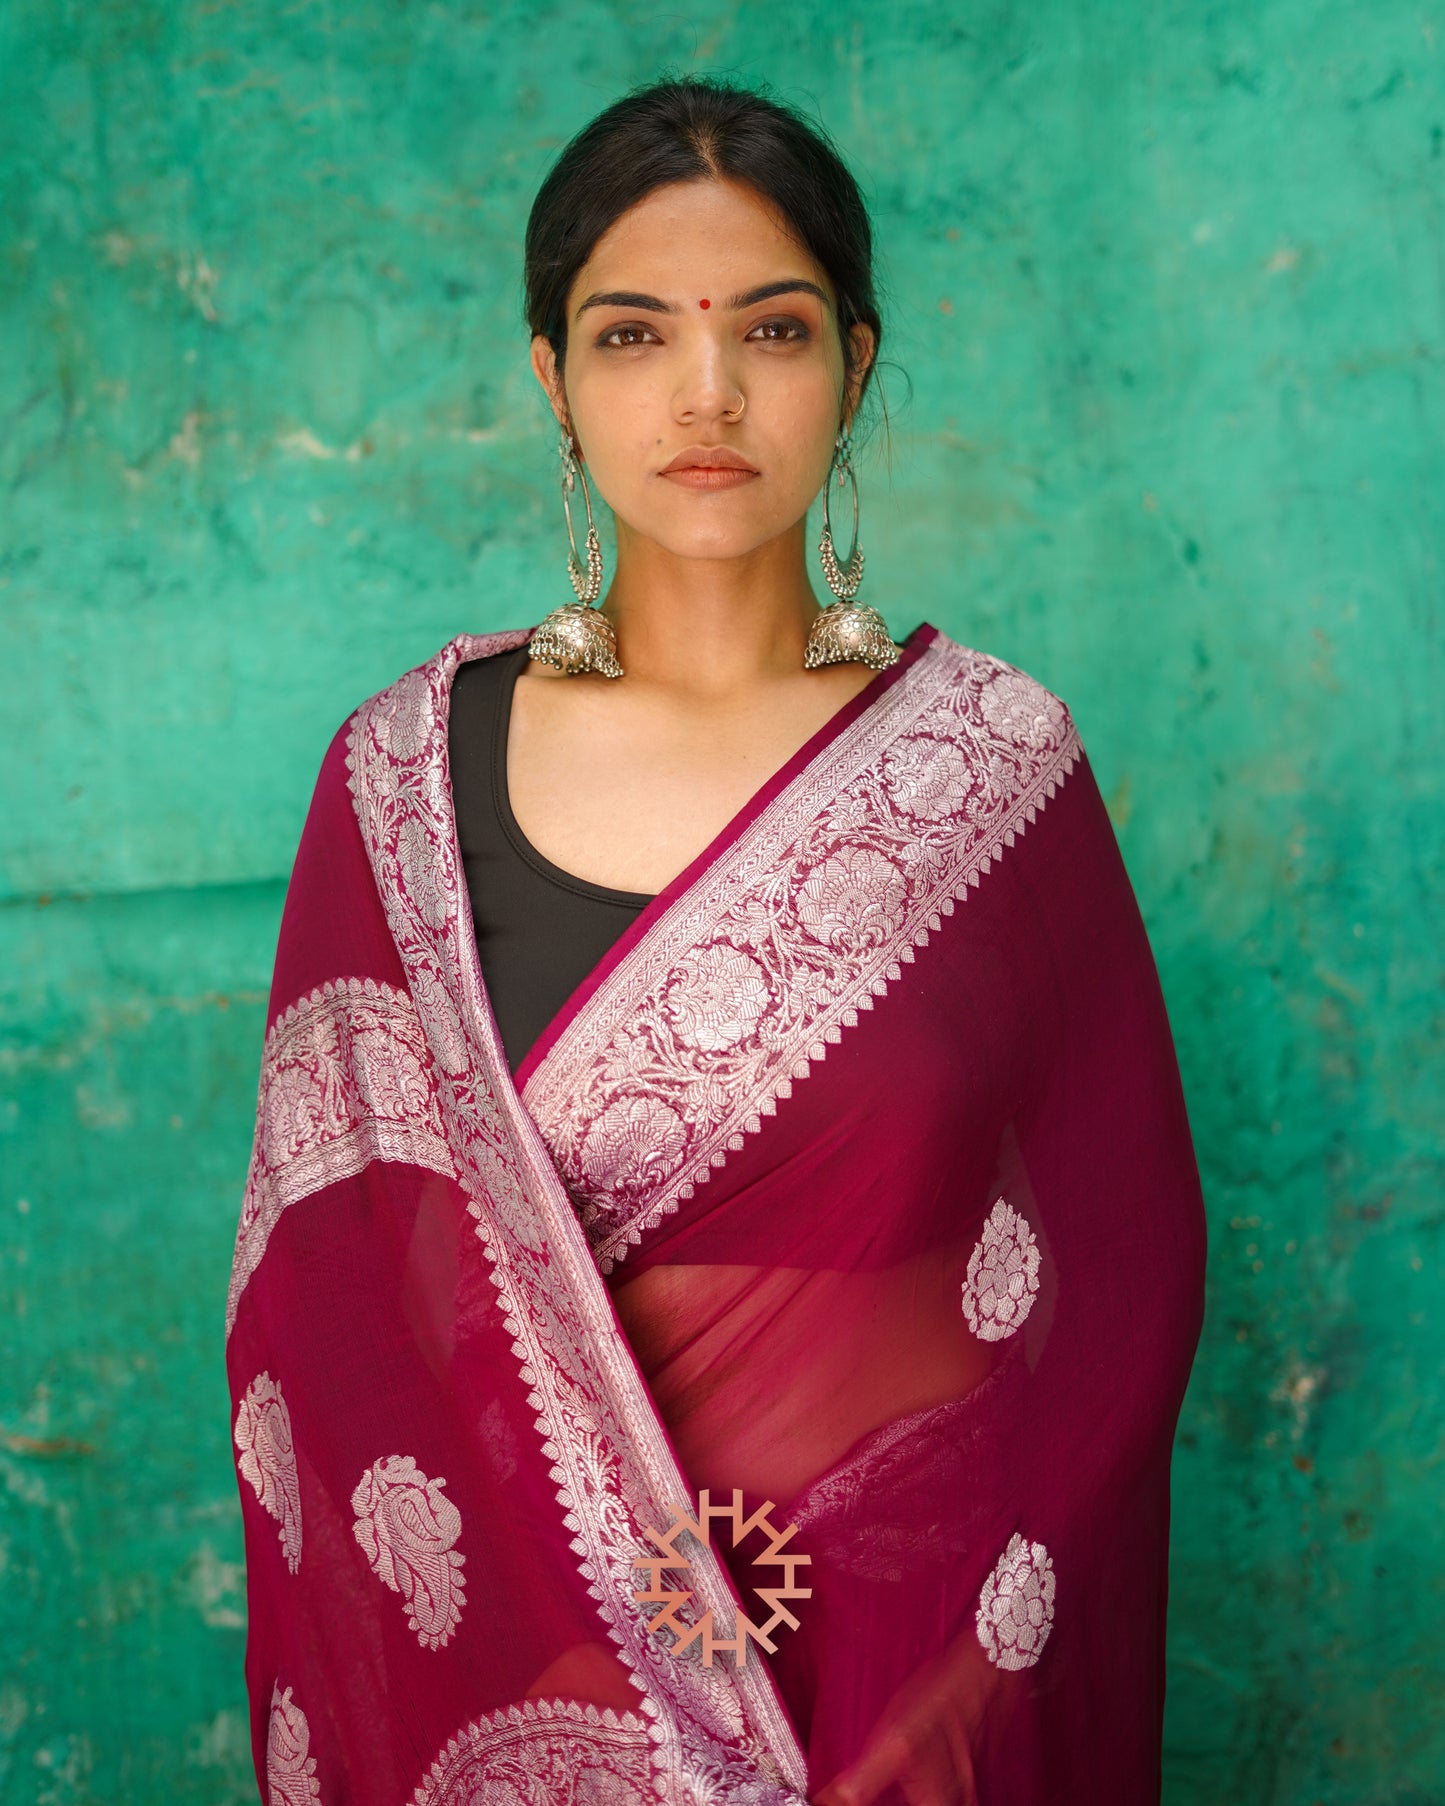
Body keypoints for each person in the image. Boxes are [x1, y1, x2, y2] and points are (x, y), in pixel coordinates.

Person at [227, 75, 1207, 1806]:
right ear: (550, 376)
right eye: (629, 335)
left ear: (855, 359)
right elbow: (336, 1310)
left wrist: (955, 1694)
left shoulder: (988, 770)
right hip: (533, 1678)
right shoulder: (399, 781)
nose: (705, 396)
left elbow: (1113, 1294)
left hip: (918, 1683)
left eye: (769, 328)